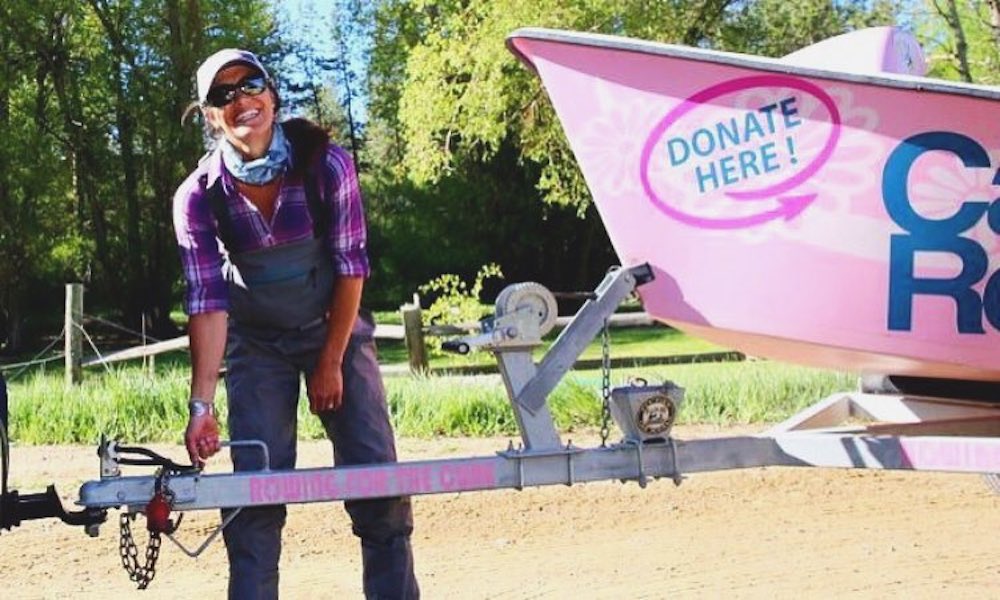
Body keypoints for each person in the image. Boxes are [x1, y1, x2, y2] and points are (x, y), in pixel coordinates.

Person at [172, 48, 418, 599]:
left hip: (334, 328)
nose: (241, 100)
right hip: (257, 345)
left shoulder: (328, 166)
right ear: (211, 115)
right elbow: (207, 301)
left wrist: (331, 361)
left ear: (272, 92)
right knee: (254, 496)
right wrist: (201, 408)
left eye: (250, 84)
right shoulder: (198, 197)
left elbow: (351, 267)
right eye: (223, 95)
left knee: (378, 484)